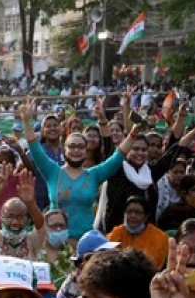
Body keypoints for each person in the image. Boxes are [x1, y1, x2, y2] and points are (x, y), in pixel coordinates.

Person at [19, 99, 137, 242]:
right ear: (65, 150)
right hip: (55, 240)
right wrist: (26, 121)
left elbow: (118, 156)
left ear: (85, 150)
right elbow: (35, 148)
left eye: (81, 147)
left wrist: (134, 133)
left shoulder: (94, 174)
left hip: (86, 242)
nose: (76, 150)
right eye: (72, 146)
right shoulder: (52, 172)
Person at [0, 167, 45, 260]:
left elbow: (41, 226)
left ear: (27, 219)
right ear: (2, 218)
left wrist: (30, 203)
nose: (15, 222)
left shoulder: (31, 241)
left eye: (20, 217)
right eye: (10, 217)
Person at [107, 195, 170, 269]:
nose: (133, 215)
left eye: (138, 212)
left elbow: (154, 265)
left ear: (146, 216)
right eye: (129, 212)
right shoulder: (116, 233)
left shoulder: (160, 238)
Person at [36, 208, 75, 287]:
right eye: (53, 226)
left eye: (61, 225)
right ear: (44, 228)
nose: (58, 229)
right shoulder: (36, 251)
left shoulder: (70, 252)